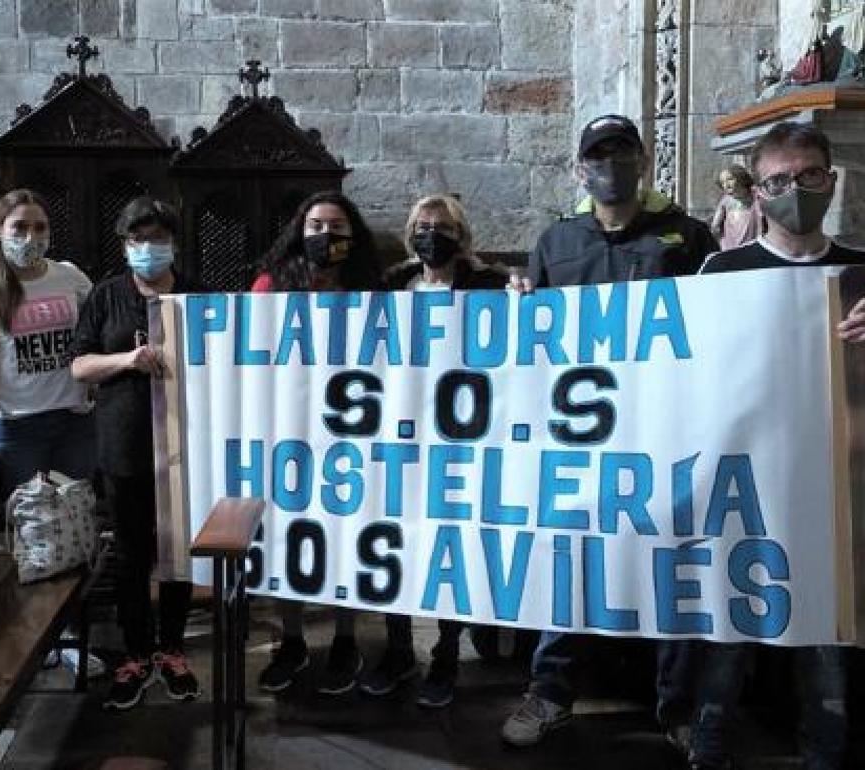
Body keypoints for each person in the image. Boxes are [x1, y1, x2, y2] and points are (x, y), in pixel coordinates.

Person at [691, 121, 865, 770]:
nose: (796, 189)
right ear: (759, 194)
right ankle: (708, 742)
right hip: (740, 485)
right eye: (779, 180)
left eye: (809, 176)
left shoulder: (864, 272)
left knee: (825, 634)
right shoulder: (720, 270)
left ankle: (824, 749)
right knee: (727, 630)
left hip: (831, 487)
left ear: (830, 180)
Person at [501, 114, 719, 750]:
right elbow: (531, 340)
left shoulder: (687, 236)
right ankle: (550, 692)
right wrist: (518, 305)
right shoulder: (556, 242)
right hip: (582, 439)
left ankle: (679, 709)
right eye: (598, 155)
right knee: (570, 562)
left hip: (667, 431)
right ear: (580, 169)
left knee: (677, 565)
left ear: (642, 161)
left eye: (621, 152)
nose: (610, 165)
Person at [359, 194, 506, 708]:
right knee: (396, 539)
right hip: (402, 433)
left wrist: (525, 292)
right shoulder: (394, 284)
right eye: (421, 225)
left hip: (463, 436)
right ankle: (399, 648)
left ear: (460, 233)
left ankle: (445, 649)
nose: (430, 234)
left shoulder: (487, 284)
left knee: (451, 544)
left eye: (441, 226)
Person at [72, 198, 202, 711]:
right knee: (131, 553)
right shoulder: (106, 296)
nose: (149, 249)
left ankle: (172, 648)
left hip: (183, 443)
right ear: (125, 245)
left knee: (177, 552)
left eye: (158, 239)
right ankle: (135, 652)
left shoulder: (196, 295)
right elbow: (79, 365)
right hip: (124, 444)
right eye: (138, 240)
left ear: (173, 242)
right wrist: (128, 358)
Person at [252, 191, 383, 695]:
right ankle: (291, 638)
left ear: (353, 236)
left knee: (347, 534)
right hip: (289, 432)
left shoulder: (370, 288)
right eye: (314, 225)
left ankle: (346, 636)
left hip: (353, 434)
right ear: (298, 231)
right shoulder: (271, 286)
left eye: (336, 225)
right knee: (291, 537)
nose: (325, 235)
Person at [0, 188, 95, 492]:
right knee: (32, 523)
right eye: (20, 227)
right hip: (19, 424)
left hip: (74, 418)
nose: (30, 236)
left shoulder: (70, 276)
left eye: (40, 227)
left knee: (76, 518)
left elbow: (92, 340)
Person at [710, 165, 761, 251]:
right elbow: (715, 226)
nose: (726, 185)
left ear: (741, 178)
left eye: (730, 179)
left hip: (753, 246)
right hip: (730, 248)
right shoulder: (725, 201)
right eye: (722, 182)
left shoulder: (757, 196)